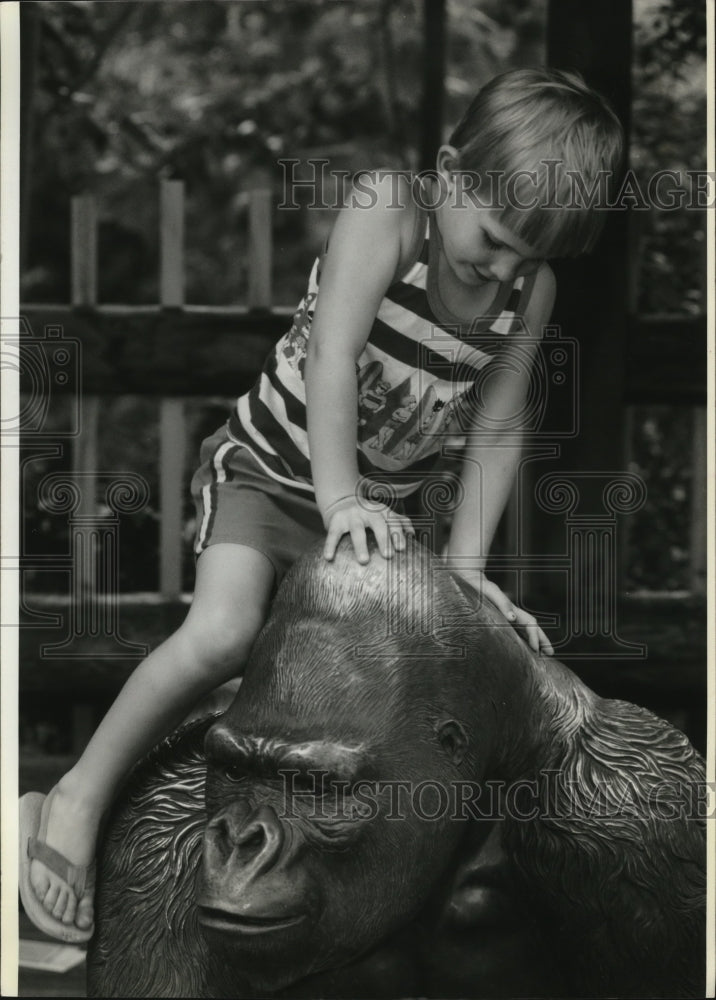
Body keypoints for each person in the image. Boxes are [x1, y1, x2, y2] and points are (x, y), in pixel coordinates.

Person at [19, 67, 624, 941]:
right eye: (496, 240)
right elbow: (334, 356)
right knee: (222, 635)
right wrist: (339, 498)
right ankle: (74, 796)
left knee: (391, 687)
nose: (505, 269)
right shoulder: (388, 212)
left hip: (380, 521)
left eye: (529, 259)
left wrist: (465, 569)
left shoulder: (531, 291)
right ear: (450, 172)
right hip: (272, 475)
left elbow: (498, 425)